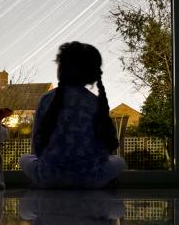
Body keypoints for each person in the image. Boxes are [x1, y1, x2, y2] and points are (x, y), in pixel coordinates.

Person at [20, 42, 126, 189]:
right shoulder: (95, 102)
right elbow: (103, 150)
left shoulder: (46, 99)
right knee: (119, 161)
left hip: (48, 178)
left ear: (60, 70)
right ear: (92, 74)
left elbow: (37, 147)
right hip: (90, 180)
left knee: (24, 158)